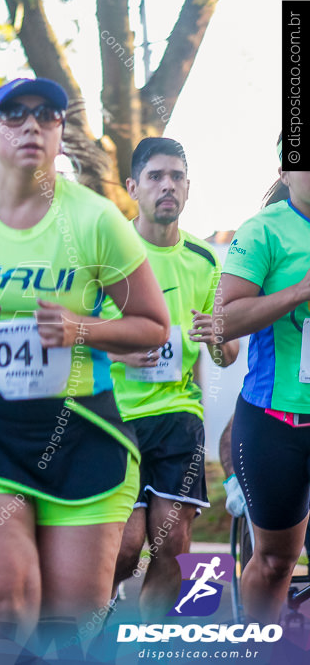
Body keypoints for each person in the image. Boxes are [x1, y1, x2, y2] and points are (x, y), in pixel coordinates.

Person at [0, 78, 170, 656]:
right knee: (7, 600)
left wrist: (80, 330)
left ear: (61, 136)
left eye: (47, 115)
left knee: (69, 626)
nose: (31, 126)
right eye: (13, 115)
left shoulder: (96, 221)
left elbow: (152, 324)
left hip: (80, 430)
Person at [107, 138, 239, 620]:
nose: (168, 186)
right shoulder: (106, 251)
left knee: (174, 543)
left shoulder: (205, 261)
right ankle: (100, 601)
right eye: (156, 177)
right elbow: (71, 335)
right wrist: (120, 351)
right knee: (125, 545)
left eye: (177, 177)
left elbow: (225, 354)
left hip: (178, 414)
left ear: (188, 188)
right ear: (132, 188)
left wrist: (217, 338)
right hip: (112, 415)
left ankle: (147, 643)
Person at [215, 142, 310, 624]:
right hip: (277, 421)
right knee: (275, 561)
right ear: (285, 170)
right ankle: (257, 650)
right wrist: (299, 292)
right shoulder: (264, 231)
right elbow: (223, 321)